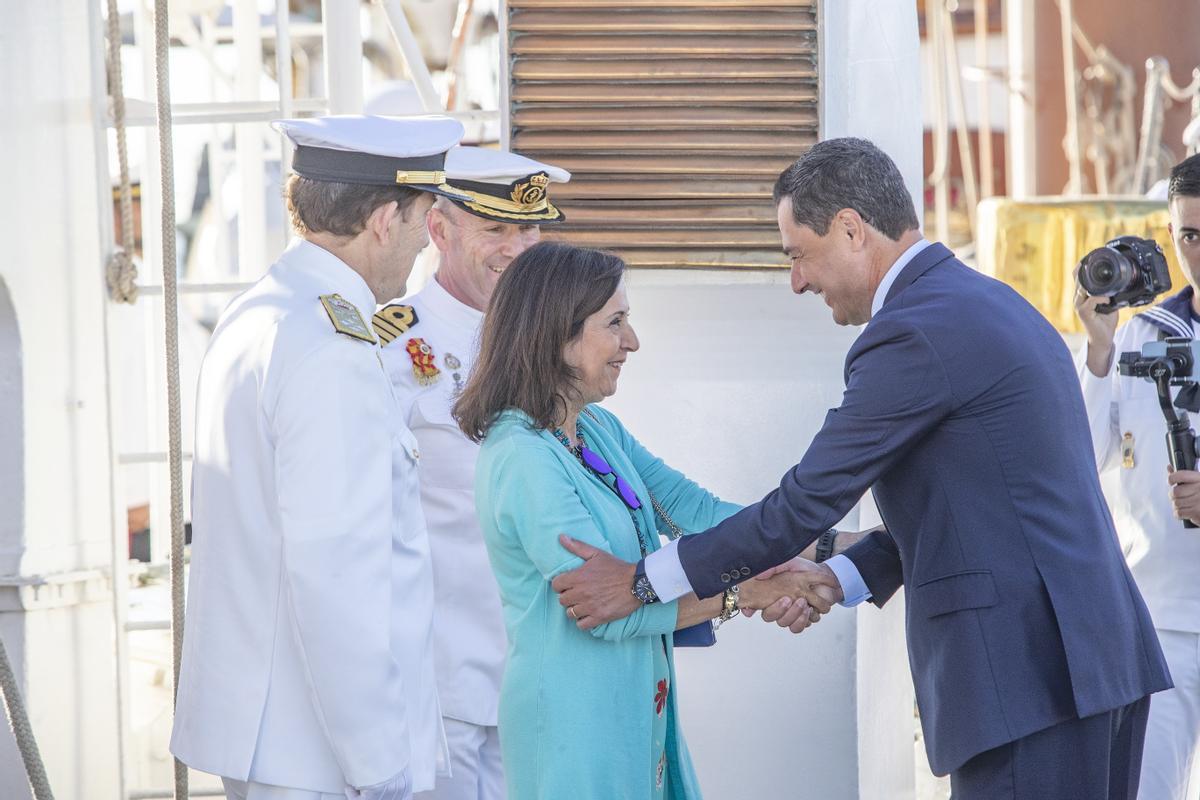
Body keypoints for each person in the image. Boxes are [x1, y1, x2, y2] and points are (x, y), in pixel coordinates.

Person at [553, 137, 1173, 800]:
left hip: (1032, 680)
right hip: (1085, 664)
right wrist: (839, 575)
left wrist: (644, 583)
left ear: (850, 228)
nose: (797, 282)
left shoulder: (914, 330)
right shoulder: (990, 303)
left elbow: (803, 505)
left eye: (798, 255)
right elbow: (979, 507)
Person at [452, 241, 837, 800]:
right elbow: (604, 612)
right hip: (573, 729)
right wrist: (747, 593)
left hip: (637, 710)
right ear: (557, 335)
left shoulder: (596, 430)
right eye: (615, 322)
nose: (631, 341)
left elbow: (698, 515)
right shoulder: (523, 457)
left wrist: (829, 548)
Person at [171, 115, 467, 800]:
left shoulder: (266, 311)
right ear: (386, 220)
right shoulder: (330, 346)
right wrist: (379, 763)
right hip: (319, 756)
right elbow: (337, 572)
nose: (426, 244)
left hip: (269, 734)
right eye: (426, 221)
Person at [373, 146, 571, 800]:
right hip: (438, 681)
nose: (518, 249)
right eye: (496, 230)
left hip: (538, 670)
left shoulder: (559, 345)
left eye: (530, 229)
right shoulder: (393, 348)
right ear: (439, 230)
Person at [1076, 152, 1200, 800]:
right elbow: (1080, 454)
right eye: (1190, 235)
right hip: (1161, 622)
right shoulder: (1142, 332)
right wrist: (1097, 347)